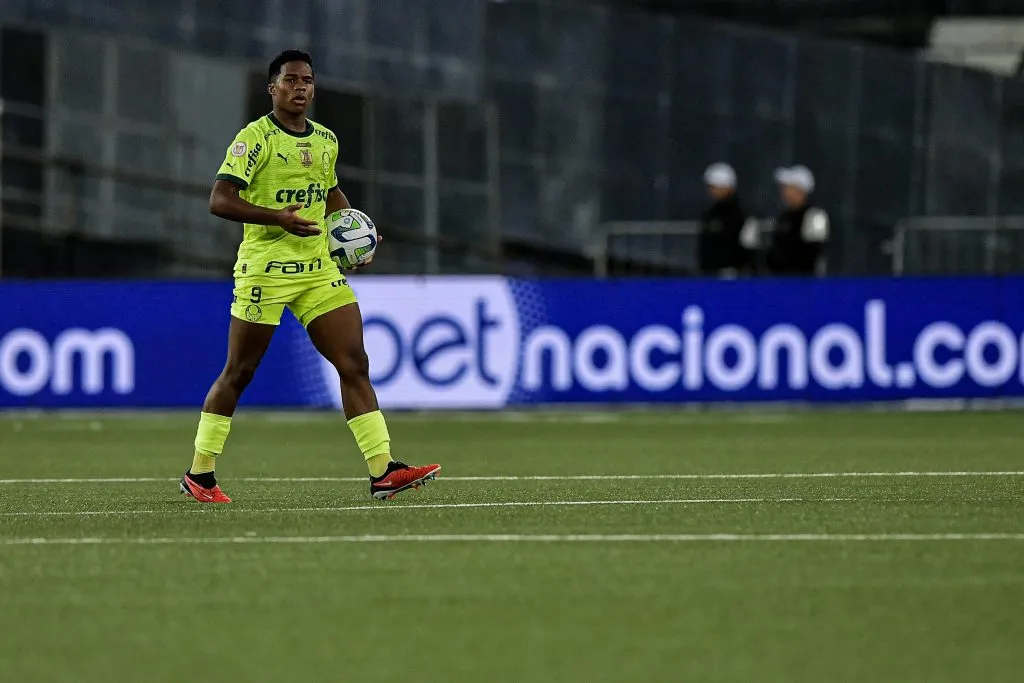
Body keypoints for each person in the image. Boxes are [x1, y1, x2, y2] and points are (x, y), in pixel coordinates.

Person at [179, 49, 440, 503]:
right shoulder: (255, 139)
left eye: (308, 81)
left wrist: (357, 232)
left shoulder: (324, 140)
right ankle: (200, 474)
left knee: (353, 362)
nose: (301, 87)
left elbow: (331, 190)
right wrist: (275, 217)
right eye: (292, 80)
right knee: (239, 371)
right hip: (265, 270)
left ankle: (383, 470)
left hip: (319, 269)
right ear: (273, 88)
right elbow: (219, 200)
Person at [765, 165, 830, 276]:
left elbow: (813, 254)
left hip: (803, 284)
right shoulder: (784, 216)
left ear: (801, 190)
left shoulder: (815, 216)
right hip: (781, 282)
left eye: (789, 187)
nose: (784, 191)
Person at [697, 163, 759, 277]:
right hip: (709, 275)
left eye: (717, 186)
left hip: (733, 277)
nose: (713, 190)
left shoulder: (742, 214)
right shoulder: (709, 214)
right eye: (711, 186)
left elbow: (750, 248)